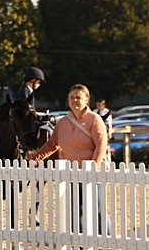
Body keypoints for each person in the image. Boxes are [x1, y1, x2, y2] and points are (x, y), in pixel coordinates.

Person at [30, 84, 111, 236]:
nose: (75, 100)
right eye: (72, 97)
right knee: (75, 210)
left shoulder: (95, 120)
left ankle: (108, 249)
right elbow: (52, 144)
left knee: (98, 210)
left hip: (93, 173)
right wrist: (36, 158)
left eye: (78, 97)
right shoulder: (62, 122)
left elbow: (101, 146)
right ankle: (78, 249)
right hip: (71, 174)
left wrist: (93, 168)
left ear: (87, 100)